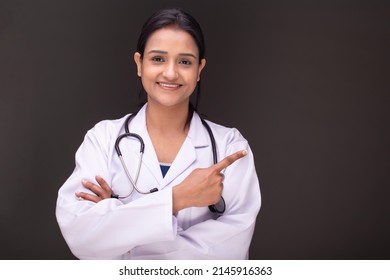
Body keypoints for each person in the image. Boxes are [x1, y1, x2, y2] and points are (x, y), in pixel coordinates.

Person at [56, 7, 261, 260]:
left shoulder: (229, 146)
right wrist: (176, 199)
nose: (171, 73)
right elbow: (82, 236)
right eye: (158, 59)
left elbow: (227, 254)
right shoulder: (103, 139)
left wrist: (122, 234)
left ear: (199, 69)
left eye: (185, 61)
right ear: (139, 64)